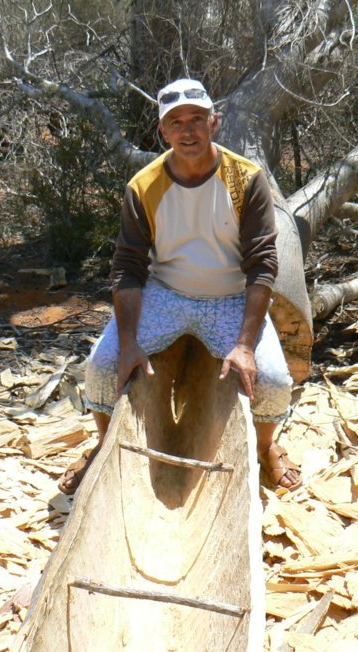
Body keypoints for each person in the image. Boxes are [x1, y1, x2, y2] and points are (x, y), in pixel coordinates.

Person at [59, 78, 301, 494]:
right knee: (101, 367)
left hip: (228, 297)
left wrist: (244, 346)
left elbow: (262, 265)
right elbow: (128, 268)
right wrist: (130, 341)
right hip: (165, 295)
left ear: (214, 122)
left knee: (275, 380)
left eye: (196, 119)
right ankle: (104, 443)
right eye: (176, 122)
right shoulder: (144, 187)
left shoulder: (246, 179)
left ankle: (264, 448)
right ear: (163, 132)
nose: (187, 130)